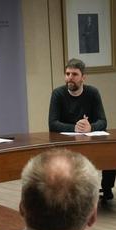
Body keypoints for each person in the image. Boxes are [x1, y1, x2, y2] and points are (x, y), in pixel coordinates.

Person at [48, 59, 112, 199]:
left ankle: (107, 188)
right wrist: (74, 128)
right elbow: (52, 123)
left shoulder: (92, 92)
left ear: (83, 77)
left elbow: (103, 121)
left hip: (89, 140)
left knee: (112, 153)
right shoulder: (58, 94)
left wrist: (91, 127)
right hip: (66, 142)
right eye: (67, 74)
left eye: (74, 74)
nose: (70, 77)